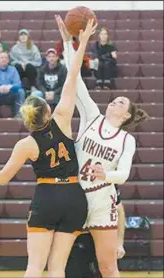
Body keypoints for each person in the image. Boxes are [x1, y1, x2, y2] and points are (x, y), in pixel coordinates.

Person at [0, 16, 97, 278]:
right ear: (47, 112)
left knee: (35, 267)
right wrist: (75, 42)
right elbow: (72, 75)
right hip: (73, 195)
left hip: (48, 197)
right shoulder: (61, 119)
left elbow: (2, 179)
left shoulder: (26, 144)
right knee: (58, 268)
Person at [60, 19, 149, 278]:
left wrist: (105, 175)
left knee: (108, 267)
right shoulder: (92, 116)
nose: (114, 101)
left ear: (126, 115)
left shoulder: (126, 140)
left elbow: (123, 174)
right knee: (60, 263)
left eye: (120, 101)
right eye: (115, 99)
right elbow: (74, 78)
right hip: (74, 193)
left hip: (101, 197)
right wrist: (69, 42)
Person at [66, 184, 126, 278]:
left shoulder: (106, 178)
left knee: (107, 270)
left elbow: (119, 210)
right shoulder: (70, 174)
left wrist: (119, 242)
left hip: (99, 238)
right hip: (73, 238)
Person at [36, 48, 67, 112]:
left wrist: (54, 93)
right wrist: (45, 92)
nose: (51, 58)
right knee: (35, 95)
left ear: (57, 58)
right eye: (49, 57)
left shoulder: (62, 69)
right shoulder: (42, 69)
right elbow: (39, 83)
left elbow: (64, 84)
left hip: (58, 92)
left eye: (53, 56)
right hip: (45, 92)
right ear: (46, 58)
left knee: (57, 99)